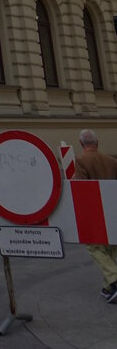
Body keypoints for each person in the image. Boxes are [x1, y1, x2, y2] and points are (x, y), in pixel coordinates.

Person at [75, 129, 117, 301]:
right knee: (111, 247)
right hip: (112, 210)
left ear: (81, 144)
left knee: (94, 247)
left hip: (94, 212)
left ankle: (114, 280)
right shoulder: (112, 161)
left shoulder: (81, 160)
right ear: (97, 143)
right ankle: (107, 289)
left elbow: (81, 189)